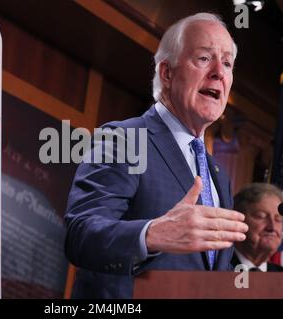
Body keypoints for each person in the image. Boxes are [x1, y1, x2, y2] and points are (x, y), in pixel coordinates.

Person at [64, 12, 248, 298]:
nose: (219, 72)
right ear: (167, 73)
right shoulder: (125, 139)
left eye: (227, 63)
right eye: (203, 58)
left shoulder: (218, 177)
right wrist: (151, 234)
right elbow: (80, 236)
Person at [231, 183, 283, 272]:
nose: (272, 227)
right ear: (238, 220)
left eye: (278, 219)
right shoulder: (217, 267)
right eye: (261, 216)